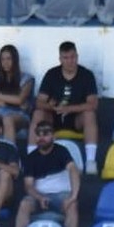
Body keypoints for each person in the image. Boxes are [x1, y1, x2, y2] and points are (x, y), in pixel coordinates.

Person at [30, 41, 99, 174]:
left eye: (72, 57)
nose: (69, 61)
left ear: (77, 57)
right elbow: (39, 102)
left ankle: (91, 161)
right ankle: (31, 156)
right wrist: (50, 106)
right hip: (54, 116)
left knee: (89, 114)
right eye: (66, 58)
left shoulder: (87, 75)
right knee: (38, 113)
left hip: (76, 119)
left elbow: (93, 104)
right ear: (60, 59)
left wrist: (69, 109)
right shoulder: (52, 74)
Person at [15, 120, 80, 227]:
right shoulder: (30, 158)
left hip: (61, 195)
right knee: (24, 204)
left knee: (73, 205)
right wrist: (39, 197)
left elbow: (73, 170)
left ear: (53, 136)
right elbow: (28, 186)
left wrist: (73, 196)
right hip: (39, 195)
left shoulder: (62, 151)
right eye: (38, 134)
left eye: (46, 133)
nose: (41, 137)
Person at [0, 44, 35, 139]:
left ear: (15, 60)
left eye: (9, 59)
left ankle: (9, 152)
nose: (5, 62)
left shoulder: (26, 78)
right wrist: (12, 103)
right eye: (2, 59)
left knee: (7, 119)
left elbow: (19, 100)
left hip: (18, 115)